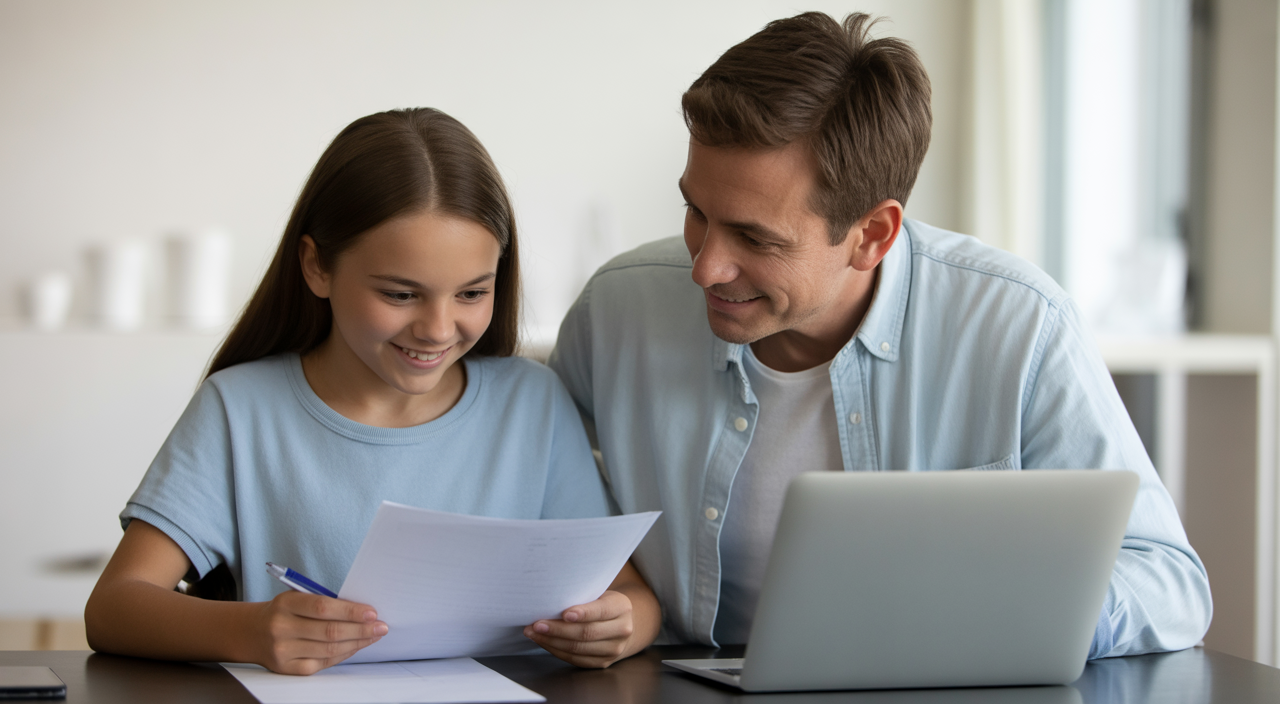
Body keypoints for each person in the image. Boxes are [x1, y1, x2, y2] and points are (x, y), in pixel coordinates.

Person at [548, 12, 1211, 657]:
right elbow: (541, 494)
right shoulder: (617, 310)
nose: (705, 267)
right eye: (695, 211)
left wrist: (1017, 619)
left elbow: (1168, 580)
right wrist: (617, 595)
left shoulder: (1020, 327)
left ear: (872, 235)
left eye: (755, 237)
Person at [84, 108, 659, 674]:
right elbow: (114, 606)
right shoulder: (240, 410)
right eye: (400, 295)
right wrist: (251, 629)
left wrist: (619, 625)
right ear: (317, 267)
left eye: (470, 293)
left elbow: (631, 593)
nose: (437, 328)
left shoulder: (534, 402)